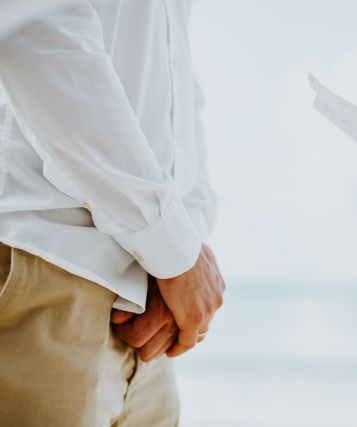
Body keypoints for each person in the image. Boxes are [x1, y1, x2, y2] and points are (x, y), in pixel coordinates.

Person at [0, 1, 225, 426]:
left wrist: (183, 248)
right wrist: (176, 252)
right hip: (47, 266)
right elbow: (35, 30)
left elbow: (177, 80)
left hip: (154, 310)